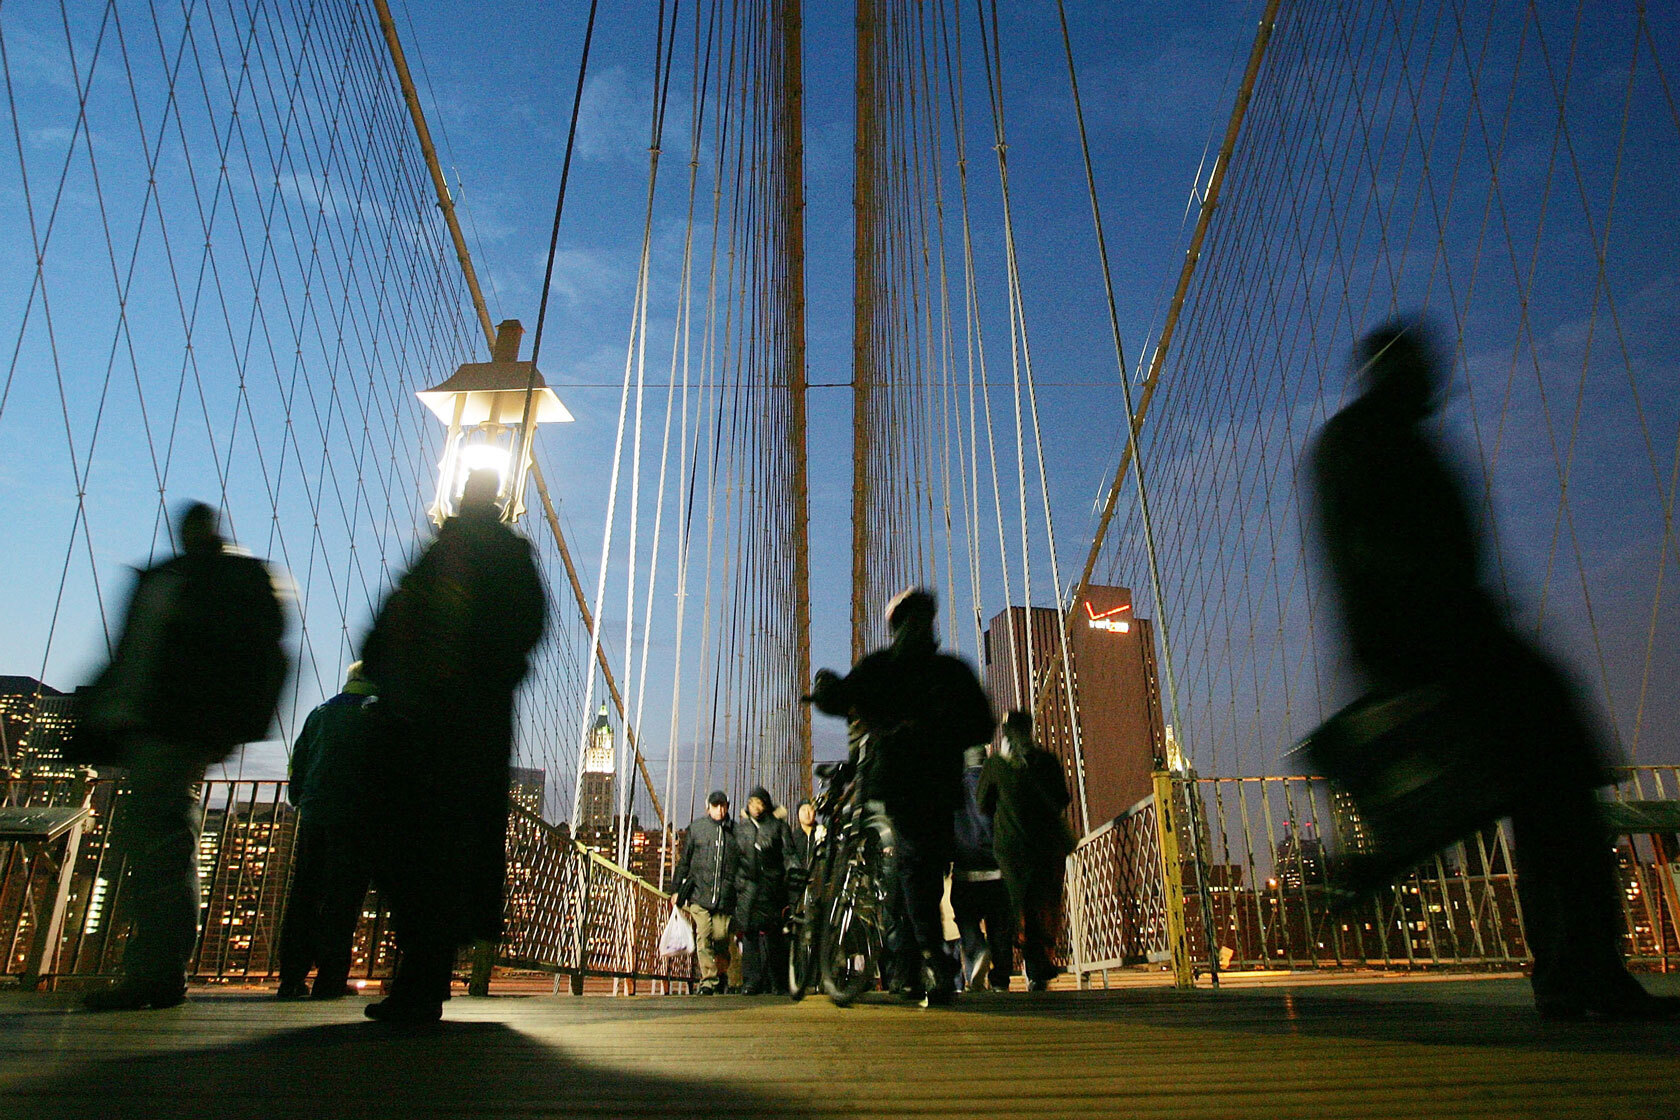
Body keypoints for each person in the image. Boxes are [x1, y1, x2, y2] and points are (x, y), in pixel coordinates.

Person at [1309, 321, 1678, 1021]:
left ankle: (1566, 965)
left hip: (1446, 644)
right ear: (1398, 371)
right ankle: (1578, 972)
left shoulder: (1367, 438)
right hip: (1452, 646)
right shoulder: (1371, 439)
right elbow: (1380, 555)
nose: (1439, 380)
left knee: (1538, 790)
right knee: (1554, 782)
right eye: (1423, 367)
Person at [79, 502, 290, 1011]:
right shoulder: (219, 578)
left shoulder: (193, 580)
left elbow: (143, 653)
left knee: (159, 846)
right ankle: (155, 969)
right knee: (158, 843)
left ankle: (153, 973)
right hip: (159, 727)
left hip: (169, 727)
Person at [358, 469, 546, 1023]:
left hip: (421, 721)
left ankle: (418, 983)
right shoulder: (509, 558)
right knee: (447, 847)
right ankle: (424, 979)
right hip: (472, 726)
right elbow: (530, 627)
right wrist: (495, 670)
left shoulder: (438, 554)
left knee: (414, 846)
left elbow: (391, 622)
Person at [809, 587, 995, 1006]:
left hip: (896, 785)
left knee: (915, 871)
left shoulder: (884, 666)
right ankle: (928, 961)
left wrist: (827, 690)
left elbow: (843, 698)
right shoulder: (952, 671)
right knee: (921, 872)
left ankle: (925, 958)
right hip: (934, 790)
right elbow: (982, 724)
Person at [276, 662, 378, 1000]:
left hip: (315, 814)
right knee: (343, 899)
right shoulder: (378, 711)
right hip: (356, 818)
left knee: (304, 894)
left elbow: (298, 760)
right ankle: (330, 980)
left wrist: (300, 798)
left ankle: (291, 978)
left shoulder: (320, 712)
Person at [978, 711, 1073, 992]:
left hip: (1008, 849)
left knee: (1007, 909)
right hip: (1042, 846)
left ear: (1006, 734)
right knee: (1036, 907)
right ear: (1031, 730)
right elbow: (1062, 799)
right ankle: (1036, 969)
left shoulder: (996, 765)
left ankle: (1001, 975)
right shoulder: (1047, 761)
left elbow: (983, 804)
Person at [952, 744, 1013, 991]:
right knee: (1000, 926)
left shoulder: (953, 788)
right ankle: (1000, 981)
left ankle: (977, 951)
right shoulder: (999, 784)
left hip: (966, 866)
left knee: (965, 918)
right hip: (998, 867)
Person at [673, 790, 739, 994]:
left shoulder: (736, 831)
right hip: (699, 894)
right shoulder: (697, 829)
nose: (719, 810)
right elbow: (685, 861)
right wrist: (675, 890)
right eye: (715, 806)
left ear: (727, 807)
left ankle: (721, 974)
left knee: (721, 936)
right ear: (708, 807)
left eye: (723, 806)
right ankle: (708, 981)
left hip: (723, 897)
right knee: (703, 933)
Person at [734, 786, 791, 995]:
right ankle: (751, 982)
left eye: (759, 803)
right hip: (748, 888)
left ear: (766, 805)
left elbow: (788, 854)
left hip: (771, 888)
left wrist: (793, 874)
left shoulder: (778, 827)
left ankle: (778, 982)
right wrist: (736, 885)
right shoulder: (741, 829)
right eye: (751, 803)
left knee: (774, 936)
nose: (755, 807)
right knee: (749, 935)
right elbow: (733, 860)